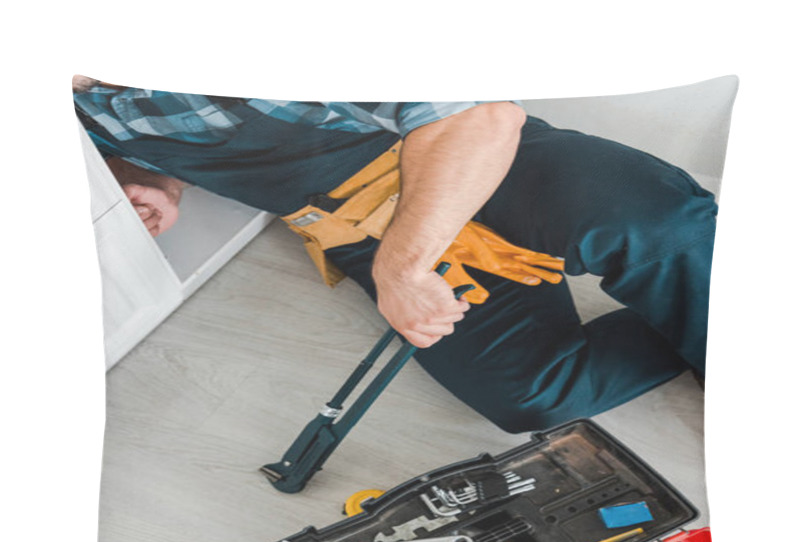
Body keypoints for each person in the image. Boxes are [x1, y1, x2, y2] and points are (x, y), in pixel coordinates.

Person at [73, 77, 717, 433]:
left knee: (660, 229)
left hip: (473, 156)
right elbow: (164, 134)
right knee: (532, 395)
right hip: (352, 219)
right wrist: (160, 181)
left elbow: (478, 119)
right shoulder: (75, 90)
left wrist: (403, 267)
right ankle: (700, 302)